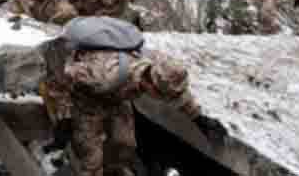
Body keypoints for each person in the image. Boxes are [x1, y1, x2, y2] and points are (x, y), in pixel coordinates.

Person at [48, 17, 227, 176]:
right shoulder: (105, 74)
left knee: (124, 145)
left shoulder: (158, 67)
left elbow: (177, 93)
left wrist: (199, 119)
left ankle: (115, 169)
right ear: (148, 84)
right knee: (91, 158)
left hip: (117, 99)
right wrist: (63, 117)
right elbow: (61, 81)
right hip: (86, 102)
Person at [8, 0, 134, 129]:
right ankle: (65, 49)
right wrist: (13, 22)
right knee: (67, 13)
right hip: (49, 2)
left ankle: (92, 36)